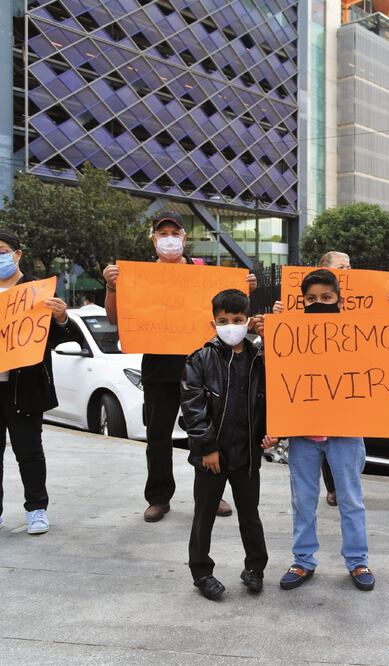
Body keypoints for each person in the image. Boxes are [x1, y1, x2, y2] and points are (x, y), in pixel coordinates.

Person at [267, 269, 389, 592]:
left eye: (326, 298)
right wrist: (271, 326)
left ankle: (358, 560)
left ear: (339, 301)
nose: (319, 303)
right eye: (311, 299)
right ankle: (303, 560)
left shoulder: (354, 334)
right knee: (303, 499)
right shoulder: (289, 333)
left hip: (344, 433)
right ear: (301, 302)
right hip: (302, 434)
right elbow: (272, 371)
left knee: (350, 498)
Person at [103, 211, 252, 522]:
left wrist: (246, 287)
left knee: (209, 431)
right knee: (158, 435)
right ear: (154, 239)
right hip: (159, 368)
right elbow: (115, 319)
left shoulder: (205, 275)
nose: (169, 237)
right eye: (162, 233)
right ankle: (158, 497)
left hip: (202, 366)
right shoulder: (135, 276)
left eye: (174, 232)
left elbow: (230, 313)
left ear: (184, 238)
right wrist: (112, 287)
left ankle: (211, 495)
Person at [181, 289, 271, 600]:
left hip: (247, 455)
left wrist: (272, 433)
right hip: (212, 457)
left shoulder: (261, 358)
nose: (230, 325)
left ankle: (255, 568)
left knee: (250, 514)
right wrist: (207, 447)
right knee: (203, 515)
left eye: (237, 319)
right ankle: (201, 572)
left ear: (249, 321)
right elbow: (193, 407)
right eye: (223, 320)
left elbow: (274, 399)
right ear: (213, 322)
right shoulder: (200, 359)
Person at [0, 230, 79, 534]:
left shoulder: (36, 291)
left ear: (17, 255)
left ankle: (36, 508)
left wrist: (61, 318)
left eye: (3, 250)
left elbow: (59, 338)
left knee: (29, 451)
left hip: (24, 386)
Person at [315, 250, 389, 508]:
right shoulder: (311, 299)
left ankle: (347, 482)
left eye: (350, 266)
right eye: (342, 267)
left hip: (351, 380)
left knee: (350, 437)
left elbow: (380, 333)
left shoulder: (363, 300)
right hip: (319, 379)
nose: (348, 271)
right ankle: (334, 488)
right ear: (325, 270)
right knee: (324, 435)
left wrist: (387, 306)